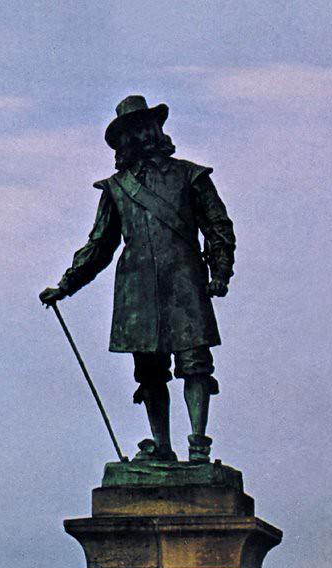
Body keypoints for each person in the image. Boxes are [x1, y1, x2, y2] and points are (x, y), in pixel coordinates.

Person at [41, 96, 236, 463]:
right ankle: (161, 446)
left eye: (148, 127)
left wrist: (220, 271)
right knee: (149, 371)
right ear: (123, 140)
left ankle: (198, 444)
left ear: (158, 130)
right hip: (138, 290)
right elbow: (99, 244)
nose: (143, 135)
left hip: (184, 282)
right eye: (134, 131)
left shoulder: (190, 175)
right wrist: (66, 285)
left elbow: (218, 227)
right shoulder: (116, 189)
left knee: (194, 362)